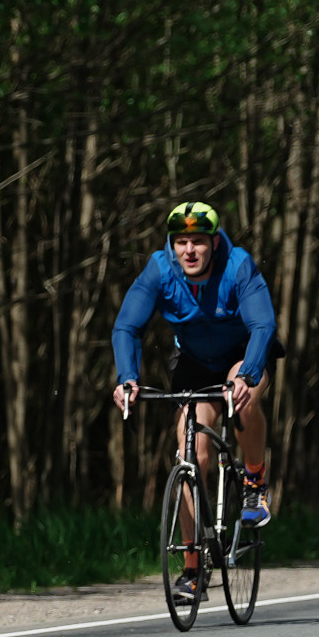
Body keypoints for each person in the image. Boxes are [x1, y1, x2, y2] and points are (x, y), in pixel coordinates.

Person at [109, 201, 280, 597]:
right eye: (181, 241)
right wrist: (128, 380)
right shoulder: (159, 268)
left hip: (242, 354)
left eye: (198, 242)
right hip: (193, 362)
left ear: (214, 242)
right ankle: (192, 566)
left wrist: (249, 374)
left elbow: (263, 324)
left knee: (246, 398)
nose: (189, 250)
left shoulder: (237, 265)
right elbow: (126, 327)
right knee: (191, 452)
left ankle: (254, 479)